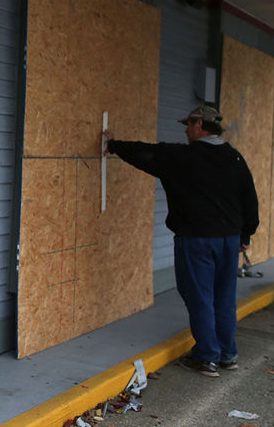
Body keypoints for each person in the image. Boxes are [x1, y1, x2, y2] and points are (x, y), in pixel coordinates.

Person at [103, 105, 259, 377]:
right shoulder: (235, 159)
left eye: (188, 125)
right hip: (229, 241)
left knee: (200, 298)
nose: (186, 130)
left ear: (199, 125)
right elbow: (250, 199)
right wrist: (246, 234)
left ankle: (207, 357)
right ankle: (227, 355)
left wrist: (113, 144)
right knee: (224, 299)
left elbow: (146, 154)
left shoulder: (184, 157)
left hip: (197, 241)